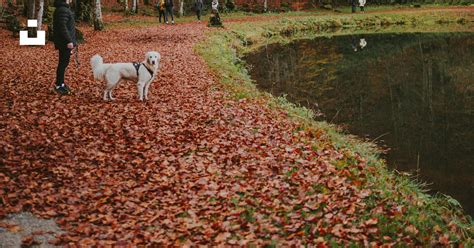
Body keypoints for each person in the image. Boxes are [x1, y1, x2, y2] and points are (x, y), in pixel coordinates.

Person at [53, 0, 76, 95]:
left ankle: (61, 84)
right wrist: (69, 40)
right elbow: (62, 27)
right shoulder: (63, 10)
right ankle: (59, 85)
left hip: (64, 42)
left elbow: (65, 26)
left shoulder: (62, 9)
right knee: (63, 64)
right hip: (64, 43)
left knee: (63, 63)